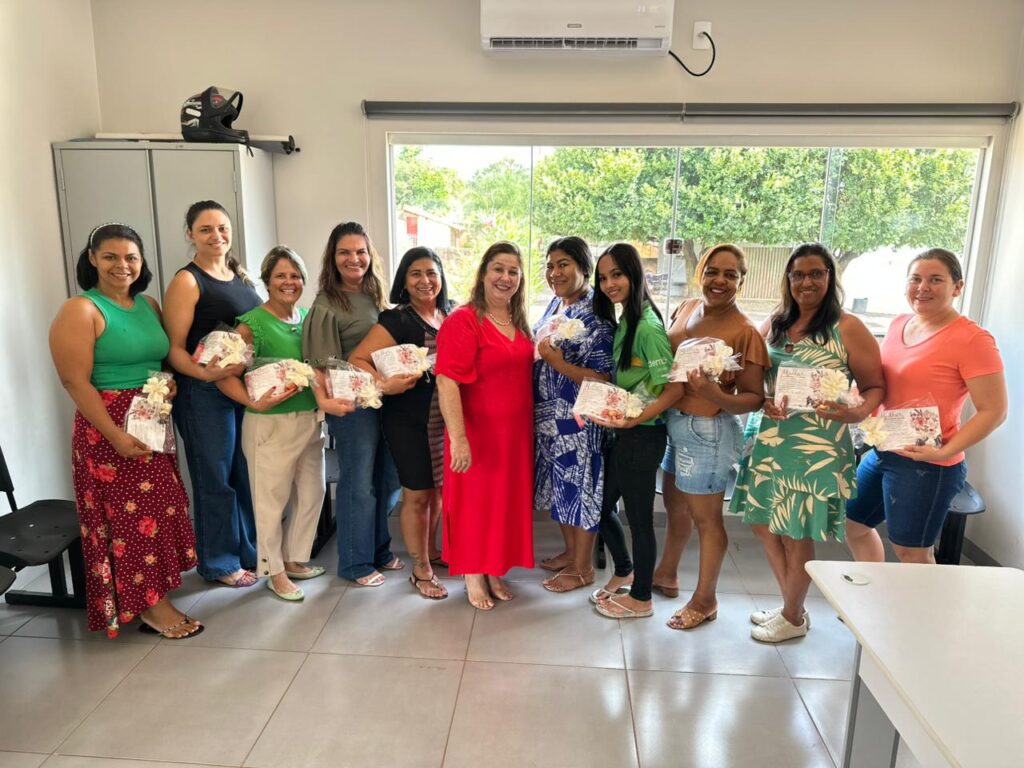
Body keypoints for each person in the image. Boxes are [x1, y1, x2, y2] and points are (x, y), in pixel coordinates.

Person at [49, 223, 202, 639]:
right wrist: (115, 436)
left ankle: (153, 592)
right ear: (92, 259)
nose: (122, 265)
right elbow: (74, 381)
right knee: (130, 520)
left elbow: (159, 357)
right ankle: (150, 606)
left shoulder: (149, 304)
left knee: (160, 510)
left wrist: (168, 380)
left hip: (150, 419)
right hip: (108, 429)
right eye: (111, 257)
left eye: (131, 257)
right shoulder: (81, 310)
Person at [730, 243, 884, 642]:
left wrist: (855, 412)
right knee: (764, 523)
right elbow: (753, 377)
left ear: (830, 277)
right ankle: (792, 606)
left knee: (795, 531)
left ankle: (792, 615)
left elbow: (874, 386)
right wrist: (762, 398)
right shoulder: (775, 323)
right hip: (769, 438)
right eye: (798, 274)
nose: (806, 282)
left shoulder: (847, 327)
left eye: (816, 273)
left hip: (815, 446)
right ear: (789, 279)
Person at [845, 248, 1006, 564]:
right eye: (915, 279)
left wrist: (944, 452)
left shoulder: (973, 339)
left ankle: (920, 600)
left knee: (912, 552)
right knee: (854, 526)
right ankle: (875, 593)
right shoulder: (899, 324)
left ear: (957, 287)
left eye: (935, 280)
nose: (922, 288)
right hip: (883, 450)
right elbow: (885, 381)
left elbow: (994, 410)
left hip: (928, 464)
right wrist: (851, 399)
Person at [217, 247, 347, 601]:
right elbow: (223, 374)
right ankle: (273, 570)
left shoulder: (307, 318)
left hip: (311, 420)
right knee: (270, 502)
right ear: (266, 280)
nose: (288, 282)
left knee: (313, 493)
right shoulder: (251, 324)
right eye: (280, 276)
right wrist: (251, 401)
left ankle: (292, 558)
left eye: (295, 276)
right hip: (269, 425)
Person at [656, 244, 769, 630]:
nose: (719, 280)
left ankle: (705, 600)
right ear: (700, 273)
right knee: (675, 505)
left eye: (730, 275)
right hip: (674, 422)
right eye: (712, 272)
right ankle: (666, 573)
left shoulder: (745, 331)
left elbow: (753, 398)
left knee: (707, 518)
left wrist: (713, 393)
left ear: (741, 281)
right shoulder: (687, 307)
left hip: (708, 430)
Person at [163, 200, 261, 587]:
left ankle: (249, 551)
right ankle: (219, 562)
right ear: (190, 235)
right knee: (215, 479)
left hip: (238, 390)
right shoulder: (188, 281)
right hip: (202, 395)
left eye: (222, 228)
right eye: (205, 229)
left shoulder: (239, 276)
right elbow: (174, 349)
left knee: (243, 476)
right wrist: (206, 373)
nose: (216, 236)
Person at [435, 241, 534, 610]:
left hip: (514, 436)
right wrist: (459, 438)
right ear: (483, 273)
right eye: (498, 269)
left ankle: (493, 568)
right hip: (476, 432)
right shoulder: (464, 320)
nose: (505, 277)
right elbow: (447, 381)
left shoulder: (518, 320)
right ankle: (473, 573)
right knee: (475, 504)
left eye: (513, 271)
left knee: (501, 504)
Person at [303, 222, 402, 586]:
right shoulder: (327, 303)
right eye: (344, 252)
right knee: (358, 482)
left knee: (387, 478)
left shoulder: (377, 296)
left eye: (360, 251)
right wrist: (325, 402)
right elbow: (318, 365)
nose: (353, 259)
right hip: (351, 406)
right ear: (333, 258)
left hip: (386, 401)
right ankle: (355, 562)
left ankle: (379, 549)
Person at [350, 246, 452, 599]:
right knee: (418, 494)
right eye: (416, 274)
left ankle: (431, 551)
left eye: (432, 273)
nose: (425, 280)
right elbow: (357, 359)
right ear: (404, 282)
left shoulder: (449, 314)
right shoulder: (397, 319)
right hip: (409, 421)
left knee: (437, 491)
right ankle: (420, 570)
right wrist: (383, 384)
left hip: (444, 420)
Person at [589, 243, 683, 620]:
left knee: (640, 519)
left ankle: (642, 597)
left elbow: (674, 388)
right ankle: (625, 571)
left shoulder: (647, 327)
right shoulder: (627, 319)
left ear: (634, 275)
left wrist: (635, 418)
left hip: (643, 436)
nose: (609, 284)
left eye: (617, 275)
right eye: (603, 278)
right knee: (599, 505)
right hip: (626, 433)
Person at [532, 237, 614, 593]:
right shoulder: (556, 304)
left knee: (581, 487)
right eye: (550, 265)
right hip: (549, 417)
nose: (555, 272)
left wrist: (559, 364)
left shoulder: (596, 314)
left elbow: (604, 378)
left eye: (563, 264)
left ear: (584, 267)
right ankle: (570, 553)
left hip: (578, 421)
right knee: (560, 487)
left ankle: (583, 568)